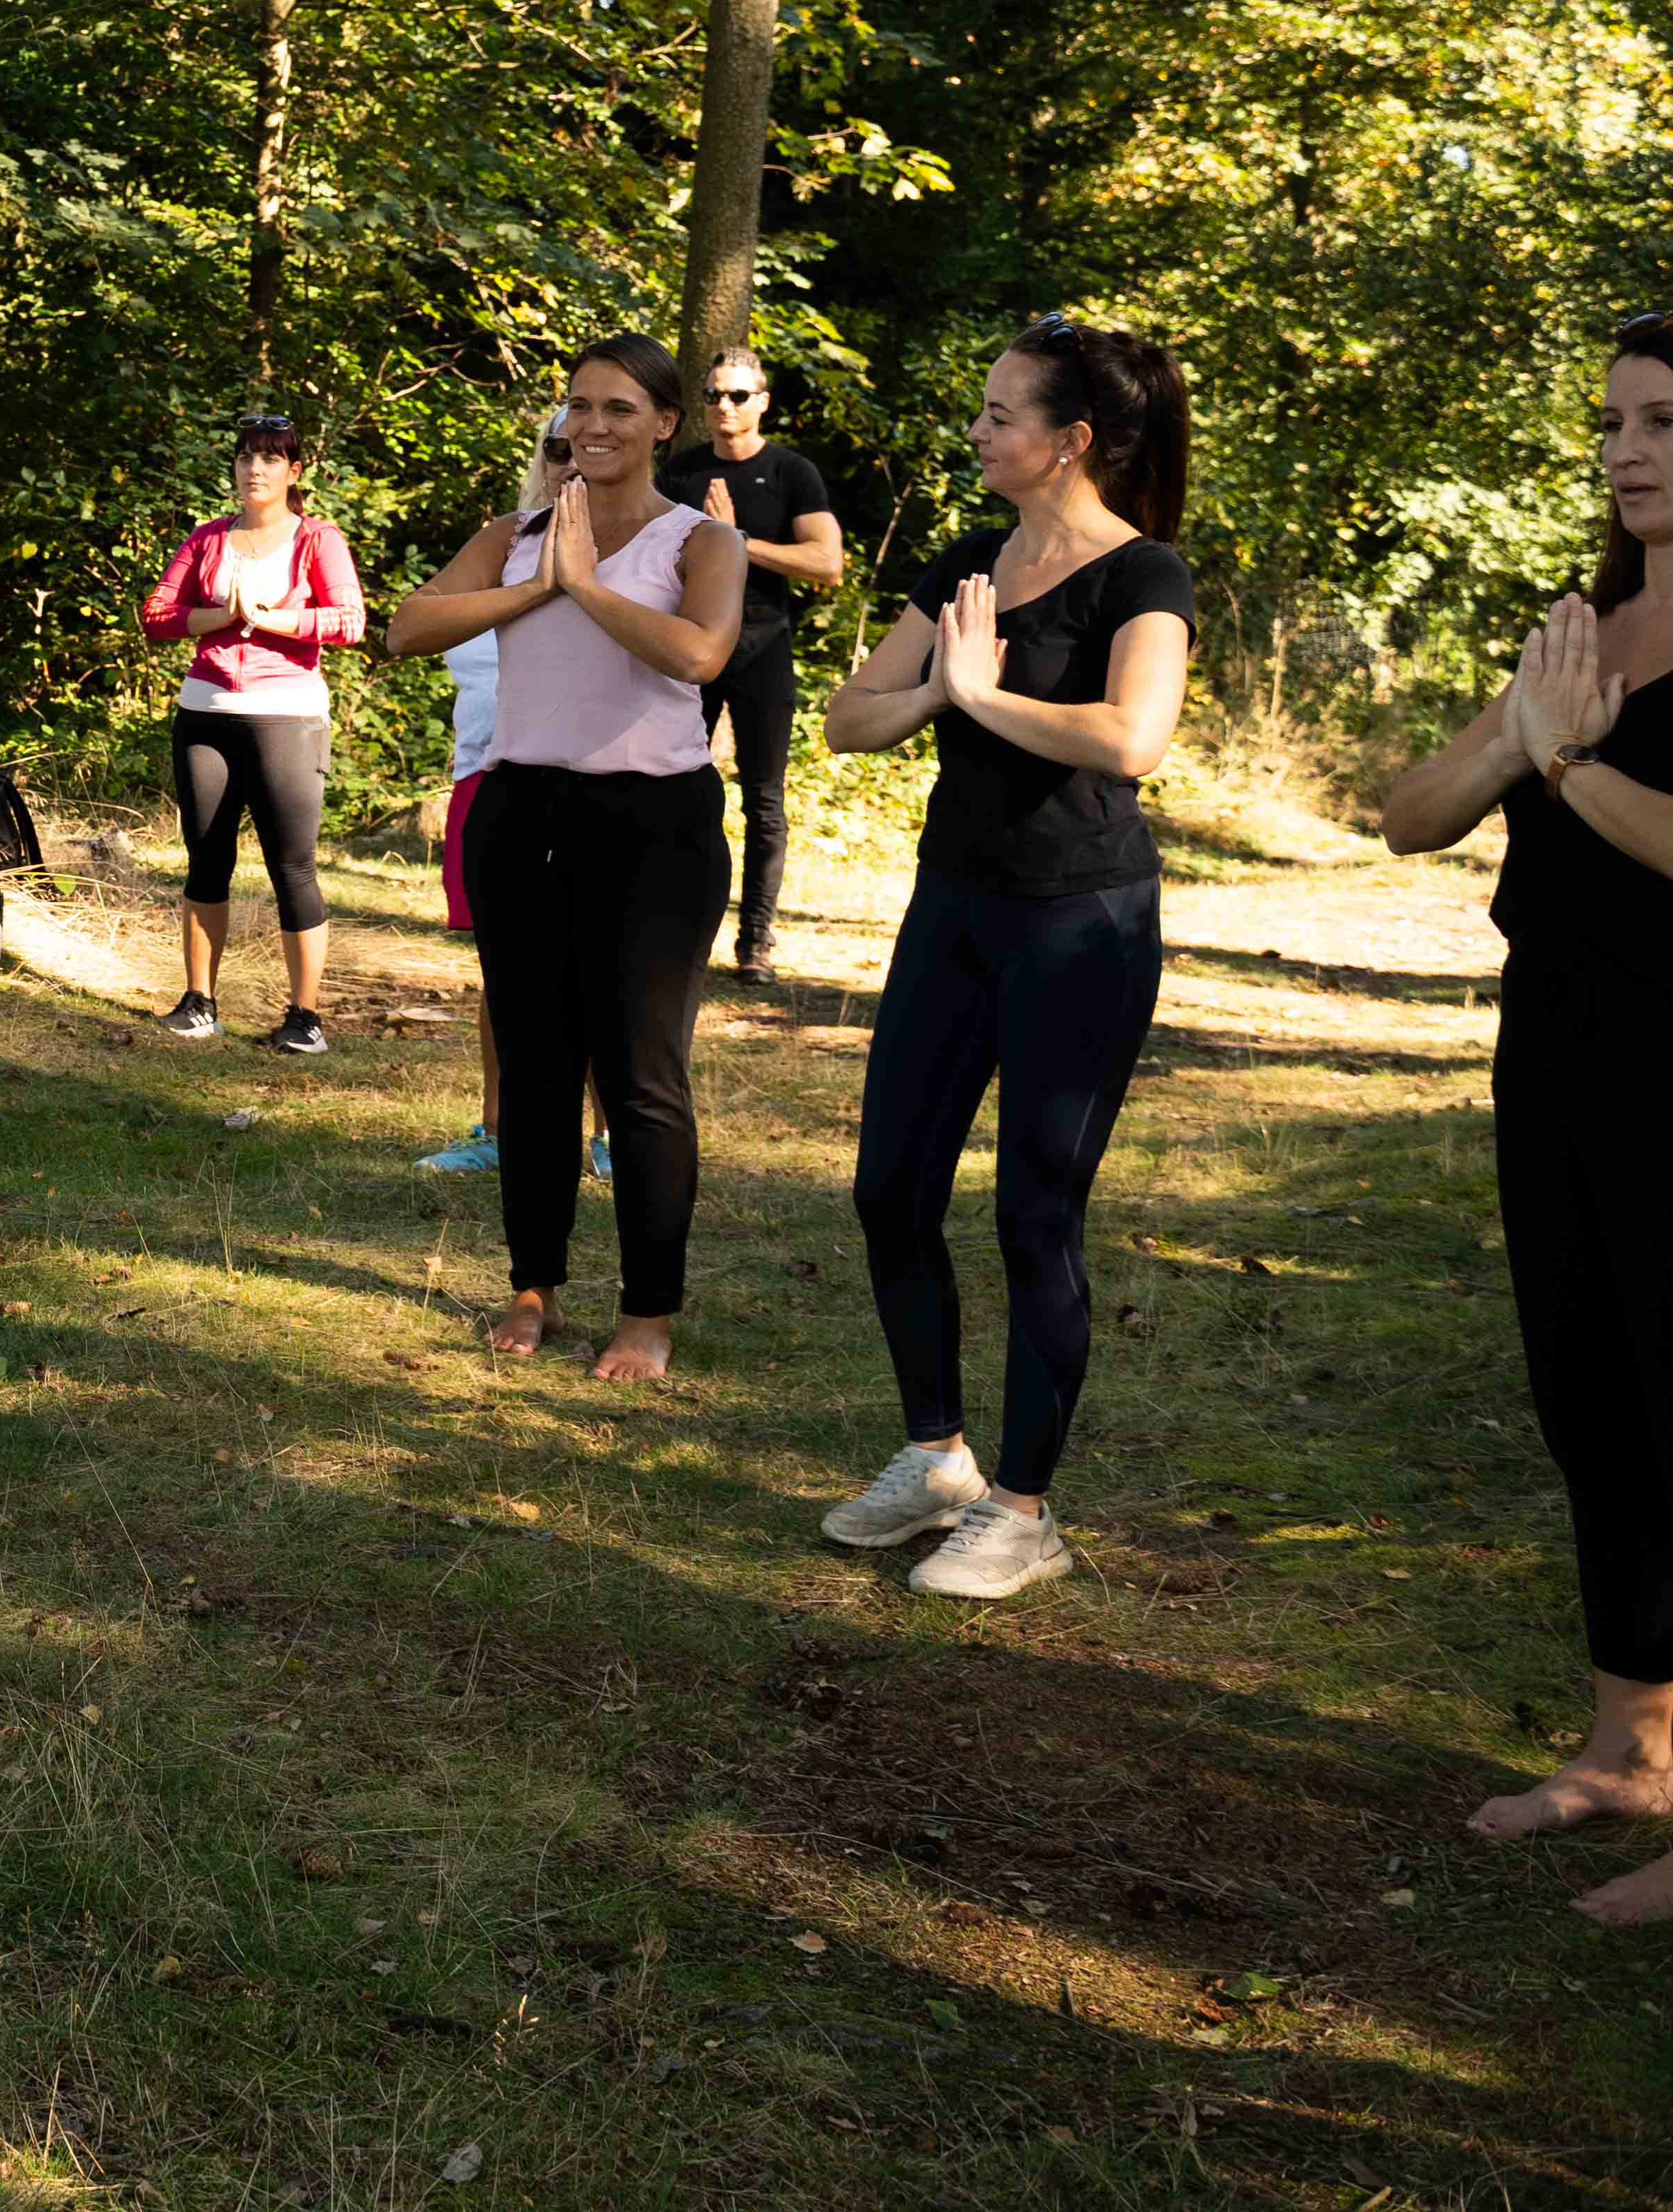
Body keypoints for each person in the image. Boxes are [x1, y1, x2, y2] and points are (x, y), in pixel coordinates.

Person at [808, 322, 1196, 1601]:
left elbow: (1130, 738)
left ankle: (1023, 1510)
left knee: (1035, 1213)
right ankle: (937, 1460)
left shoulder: (1143, 575)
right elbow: (848, 717)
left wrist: (980, 699)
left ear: (1070, 440)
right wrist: (936, 690)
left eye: (997, 413)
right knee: (889, 1188)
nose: (975, 430)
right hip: (955, 909)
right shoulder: (966, 563)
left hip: (1080, 925)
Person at [1383, 308, 1673, 1929]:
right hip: (1553, 1053)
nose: (1628, 450)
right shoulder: (1577, 632)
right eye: (1615, 422)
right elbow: (1408, 815)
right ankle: (1633, 1751)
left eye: (1664, 421)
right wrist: (1516, 731)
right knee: (1593, 1395)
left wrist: (1561, 766)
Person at [386, 334, 744, 1384]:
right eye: (579, 406)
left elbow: (701, 653)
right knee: (536, 1068)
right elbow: (408, 627)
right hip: (521, 811)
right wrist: (542, 581)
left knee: (640, 1074)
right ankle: (532, 1284)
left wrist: (586, 587)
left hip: (654, 823)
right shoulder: (516, 535)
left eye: (619, 409)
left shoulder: (700, 540)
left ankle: (648, 1311)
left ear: (665, 423)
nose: (593, 426)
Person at [136, 408, 364, 1052]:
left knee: (292, 865)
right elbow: (156, 615)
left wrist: (271, 620)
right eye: (244, 457)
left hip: (287, 716)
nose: (254, 469)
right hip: (204, 713)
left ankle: (305, 1019)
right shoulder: (208, 538)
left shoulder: (319, 539)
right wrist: (221, 616)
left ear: (294, 471)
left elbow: (349, 621)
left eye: (270, 458)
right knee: (207, 857)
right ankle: (199, 1004)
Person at [418, 415, 574, 1180]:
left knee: (597, 964)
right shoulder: (504, 544)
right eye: (558, 447)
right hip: (490, 771)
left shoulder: (657, 548)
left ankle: (609, 1137)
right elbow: (430, 631)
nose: (572, 460)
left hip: (596, 778)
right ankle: (500, 1128)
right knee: (505, 964)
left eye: (591, 445)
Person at [659, 349, 848, 980]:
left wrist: (736, 541)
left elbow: (827, 563)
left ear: (762, 401)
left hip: (764, 646)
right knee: (676, 785)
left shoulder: (791, 471)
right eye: (714, 394)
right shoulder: (681, 470)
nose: (724, 406)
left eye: (738, 395)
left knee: (763, 798)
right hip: (694, 642)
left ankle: (756, 943)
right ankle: (676, 933)